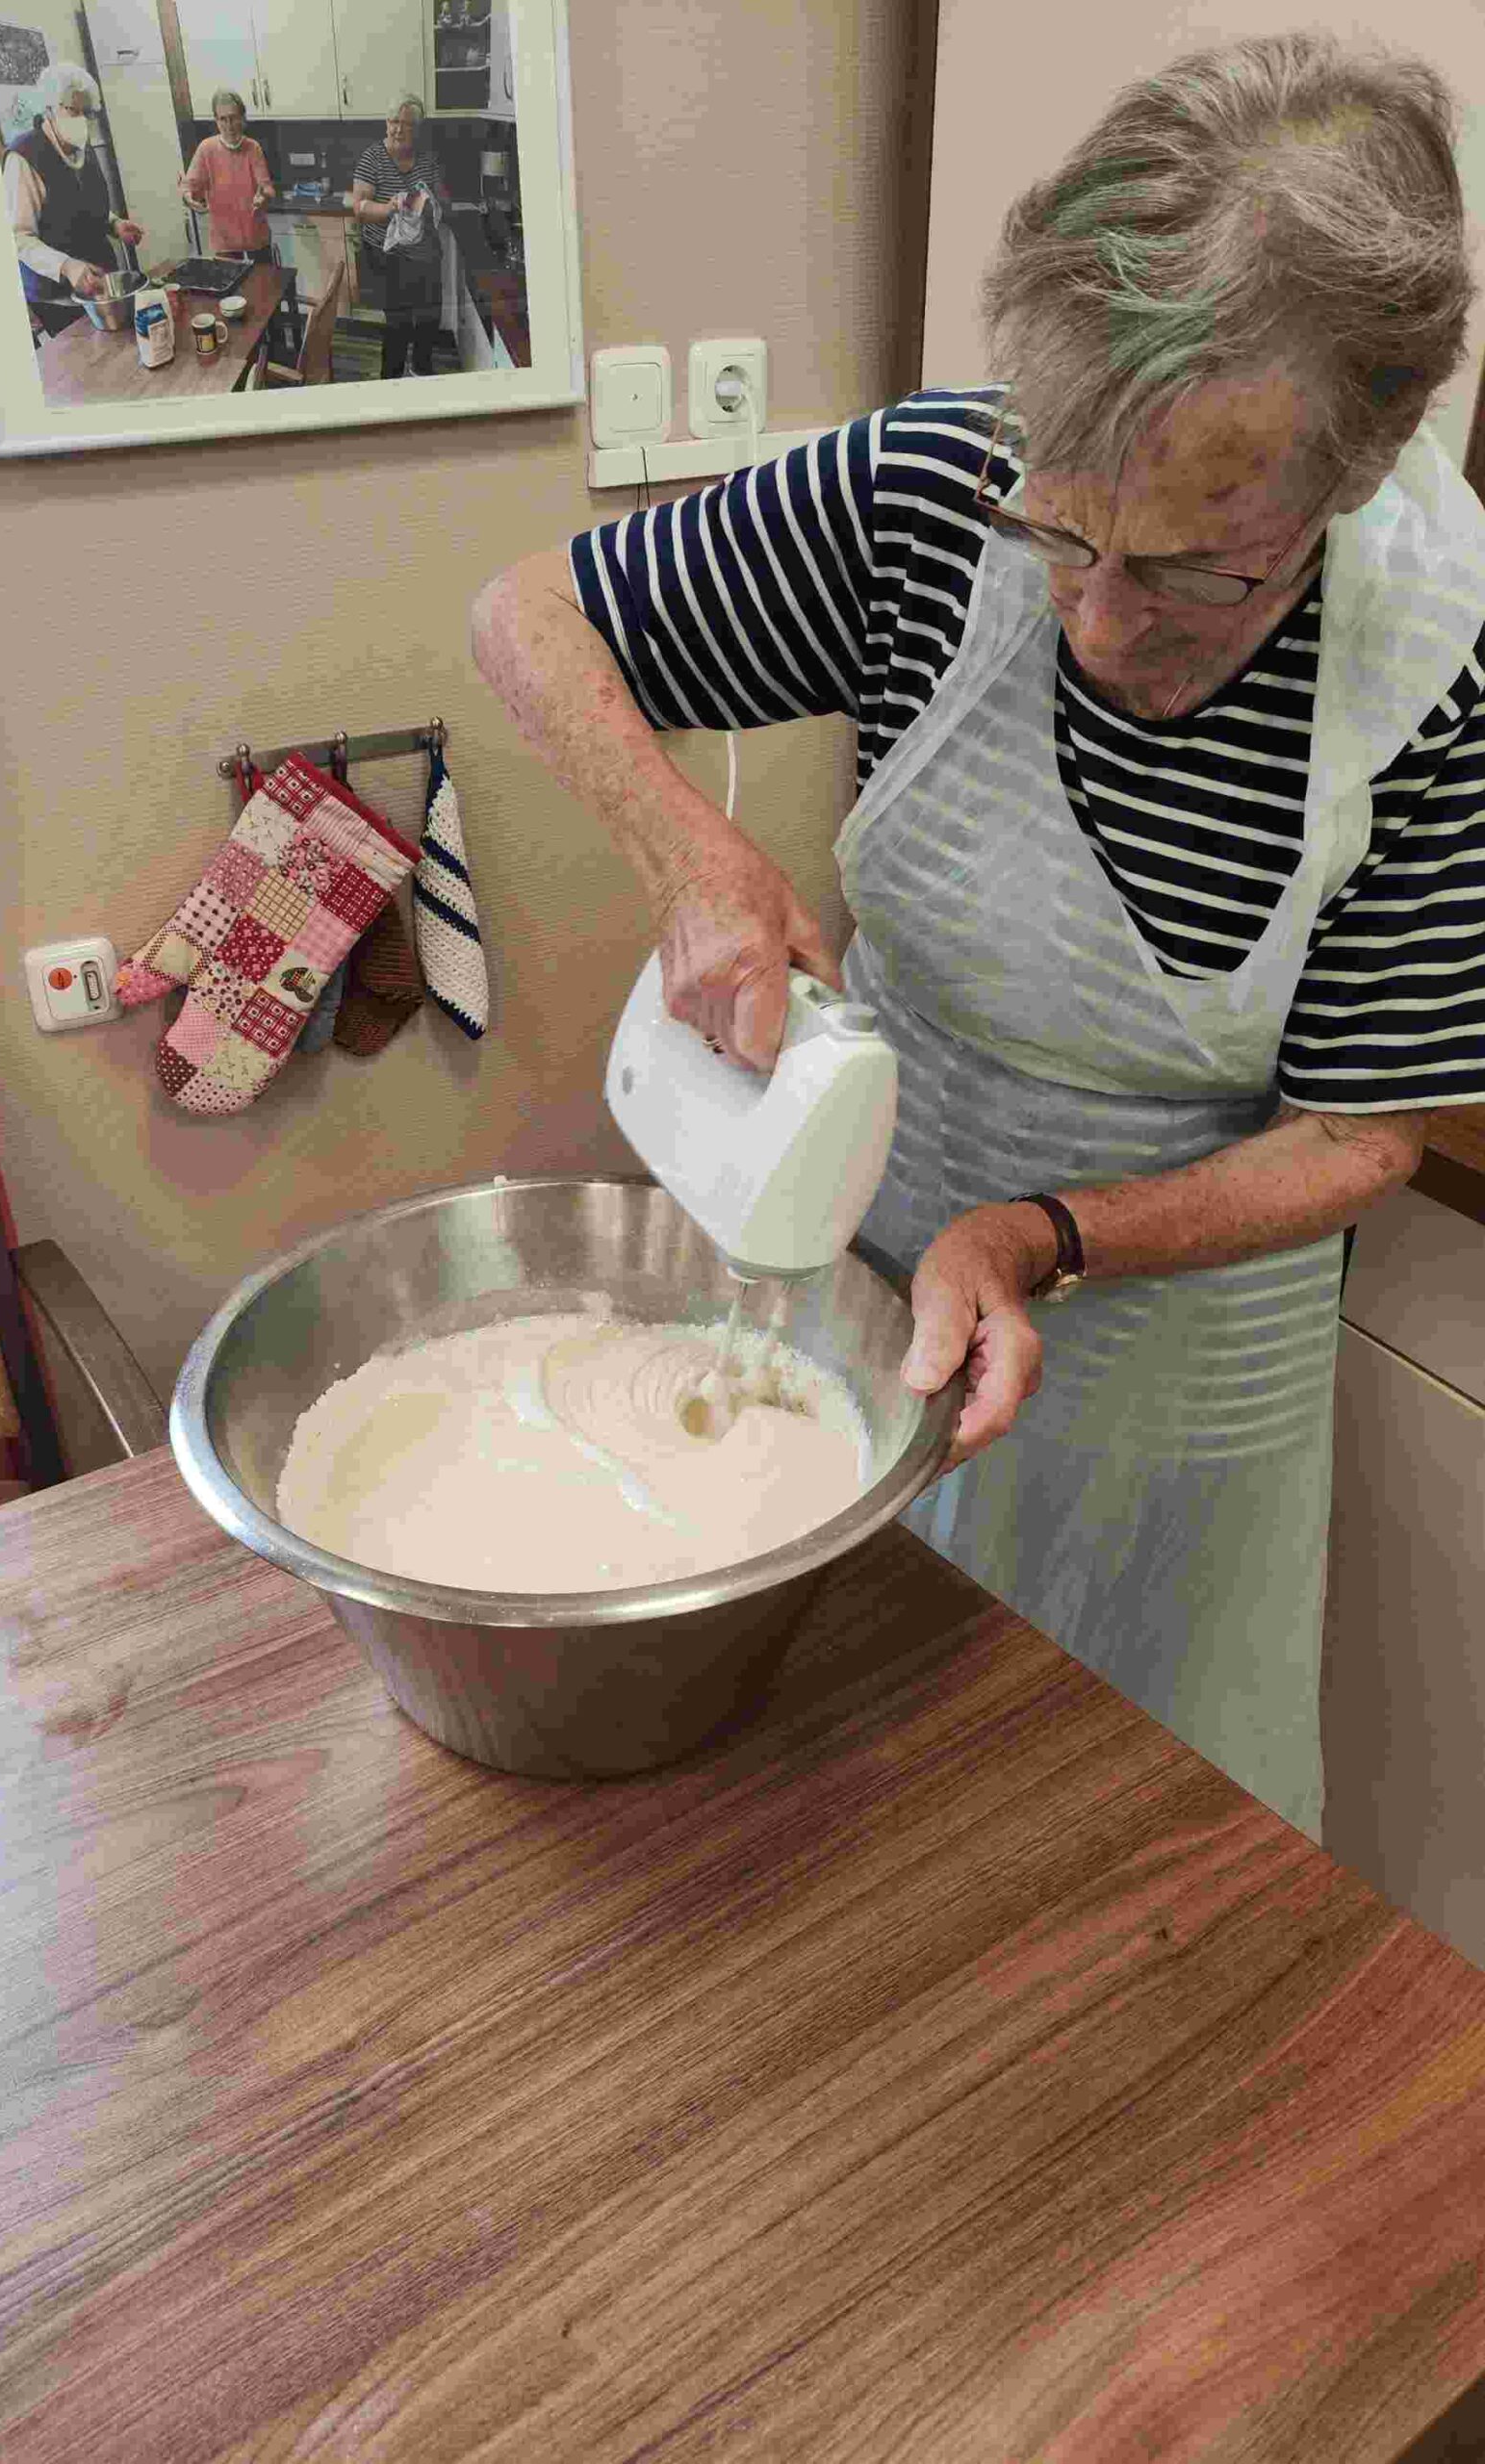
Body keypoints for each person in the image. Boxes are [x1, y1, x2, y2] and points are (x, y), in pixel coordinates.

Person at [471, 35, 1485, 1839]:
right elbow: (532, 617)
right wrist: (691, 854)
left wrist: (1042, 1238)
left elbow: (1362, 1134)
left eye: (1192, 570)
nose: (1099, 624)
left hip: (1188, 1392)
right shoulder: (937, 492)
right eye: (1064, 535)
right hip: (860, 1290)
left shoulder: (1439, 688)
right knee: (847, 1824)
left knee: (1124, 1860)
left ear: (1359, 467)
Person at [6, 63, 143, 338]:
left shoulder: (82, 147)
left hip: (98, 287)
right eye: (73, 110)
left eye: (87, 113)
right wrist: (67, 266)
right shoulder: (24, 157)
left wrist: (114, 223)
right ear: (49, 109)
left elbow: (85, 204)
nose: (82, 120)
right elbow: (19, 238)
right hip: (56, 298)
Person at [351, 97, 448, 379]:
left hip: (425, 252)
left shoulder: (427, 158)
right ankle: (391, 380)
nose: (397, 130)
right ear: (386, 123)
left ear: (417, 129)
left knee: (430, 318)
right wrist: (390, 207)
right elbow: (359, 207)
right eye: (393, 122)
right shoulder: (372, 157)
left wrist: (430, 204)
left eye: (406, 124)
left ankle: (421, 368)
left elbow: (440, 198)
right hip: (388, 255)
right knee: (398, 323)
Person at [180, 89, 278, 259]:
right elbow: (189, 187)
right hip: (224, 242)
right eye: (223, 119)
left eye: (233, 118)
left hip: (257, 238)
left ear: (242, 118)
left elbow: (267, 188)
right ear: (216, 121)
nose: (229, 125)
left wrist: (263, 198)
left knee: (263, 284)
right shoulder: (206, 149)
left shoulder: (253, 148)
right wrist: (189, 198)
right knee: (231, 285)